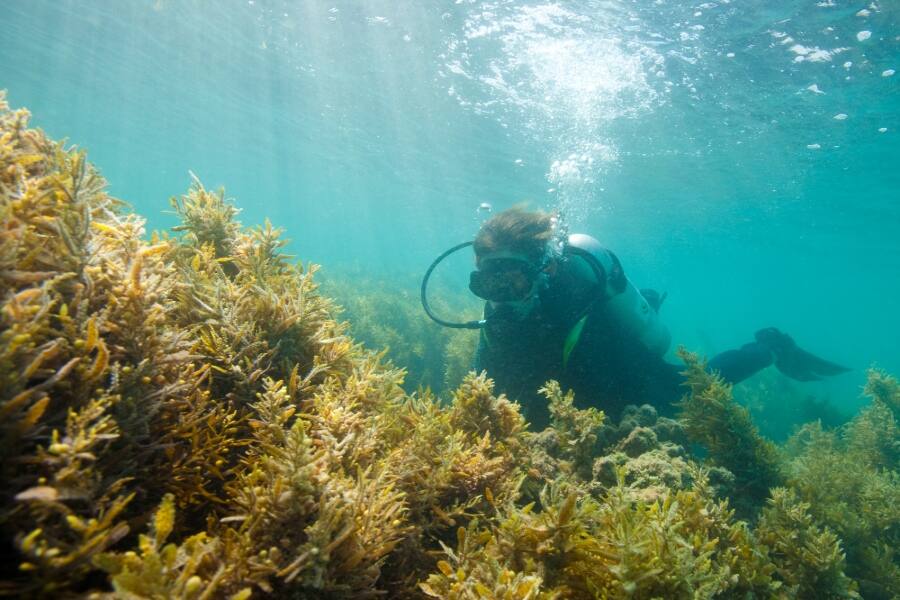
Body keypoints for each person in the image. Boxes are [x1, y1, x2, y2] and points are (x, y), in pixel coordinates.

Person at [439, 207, 849, 429]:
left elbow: (610, 389)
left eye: (510, 282)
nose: (500, 297)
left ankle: (769, 346)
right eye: (486, 284)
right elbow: (488, 380)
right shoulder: (498, 310)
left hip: (604, 349)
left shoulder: (573, 296)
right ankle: (650, 299)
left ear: (543, 271)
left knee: (678, 395)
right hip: (564, 363)